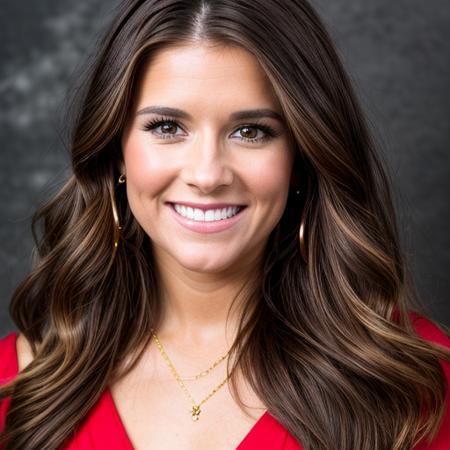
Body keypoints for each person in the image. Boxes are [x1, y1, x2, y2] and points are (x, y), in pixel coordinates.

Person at [1, 0, 449, 449]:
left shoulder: (415, 389)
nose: (208, 174)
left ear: (302, 156)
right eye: (167, 127)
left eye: (251, 132)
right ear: (117, 150)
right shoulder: (18, 387)